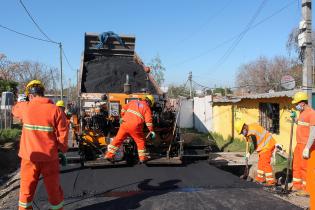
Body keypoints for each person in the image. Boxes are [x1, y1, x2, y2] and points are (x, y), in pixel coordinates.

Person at [12, 80, 68, 210]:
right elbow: (63, 135)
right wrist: (61, 150)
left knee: (26, 190)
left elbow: (14, 109)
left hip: (29, 158)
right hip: (50, 158)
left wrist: (22, 100)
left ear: (30, 95)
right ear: (43, 94)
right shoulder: (56, 110)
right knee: (53, 190)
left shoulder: (25, 107)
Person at [105, 95, 156, 163]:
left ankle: (109, 155)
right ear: (150, 103)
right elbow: (148, 121)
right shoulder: (147, 108)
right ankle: (142, 158)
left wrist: (122, 117)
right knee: (140, 141)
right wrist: (151, 130)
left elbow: (123, 109)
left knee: (118, 139)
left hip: (124, 124)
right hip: (135, 126)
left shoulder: (133, 102)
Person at [235, 120, 276, 186]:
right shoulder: (250, 128)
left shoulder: (252, 132)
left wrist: (249, 153)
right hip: (263, 147)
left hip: (267, 145)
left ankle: (271, 182)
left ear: (244, 127)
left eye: (242, 132)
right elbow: (250, 143)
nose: (242, 134)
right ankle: (260, 179)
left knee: (265, 163)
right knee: (261, 163)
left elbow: (253, 145)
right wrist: (248, 151)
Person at [291, 92, 315, 199]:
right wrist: (295, 119)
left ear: (302, 103)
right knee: (297, 166)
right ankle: (297, 186)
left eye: (296, 103)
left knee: (306, 168)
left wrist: (307, 147)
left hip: (306, 146)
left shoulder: (312, 113)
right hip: (299, 144)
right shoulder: (301, 113)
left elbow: (313, 132)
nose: (296, 105)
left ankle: (306, 189)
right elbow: (301, 124)